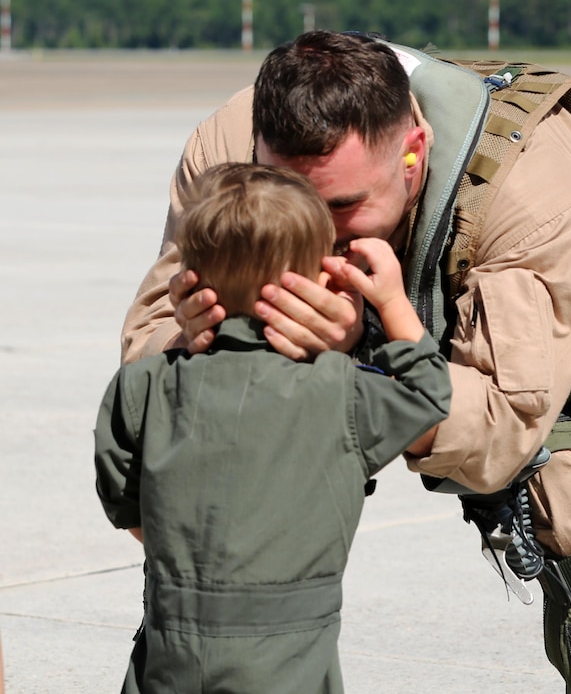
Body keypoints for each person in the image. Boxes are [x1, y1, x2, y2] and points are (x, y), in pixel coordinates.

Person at [121, 31, 571, 693]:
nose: (312, 236)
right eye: (285, 200)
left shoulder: (535, 178)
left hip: (507, 333)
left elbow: (501, 427)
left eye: (339, 206)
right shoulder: (229, 147)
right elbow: (148, 347)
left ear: (412, 156)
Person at [96, 162, 451, 693]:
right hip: (291, 661)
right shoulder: (341, 393)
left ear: (188, 281)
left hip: (170, 653)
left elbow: (126, 504)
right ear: (318, 280)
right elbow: (427, 391)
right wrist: (391, 299)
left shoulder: (141, 387)